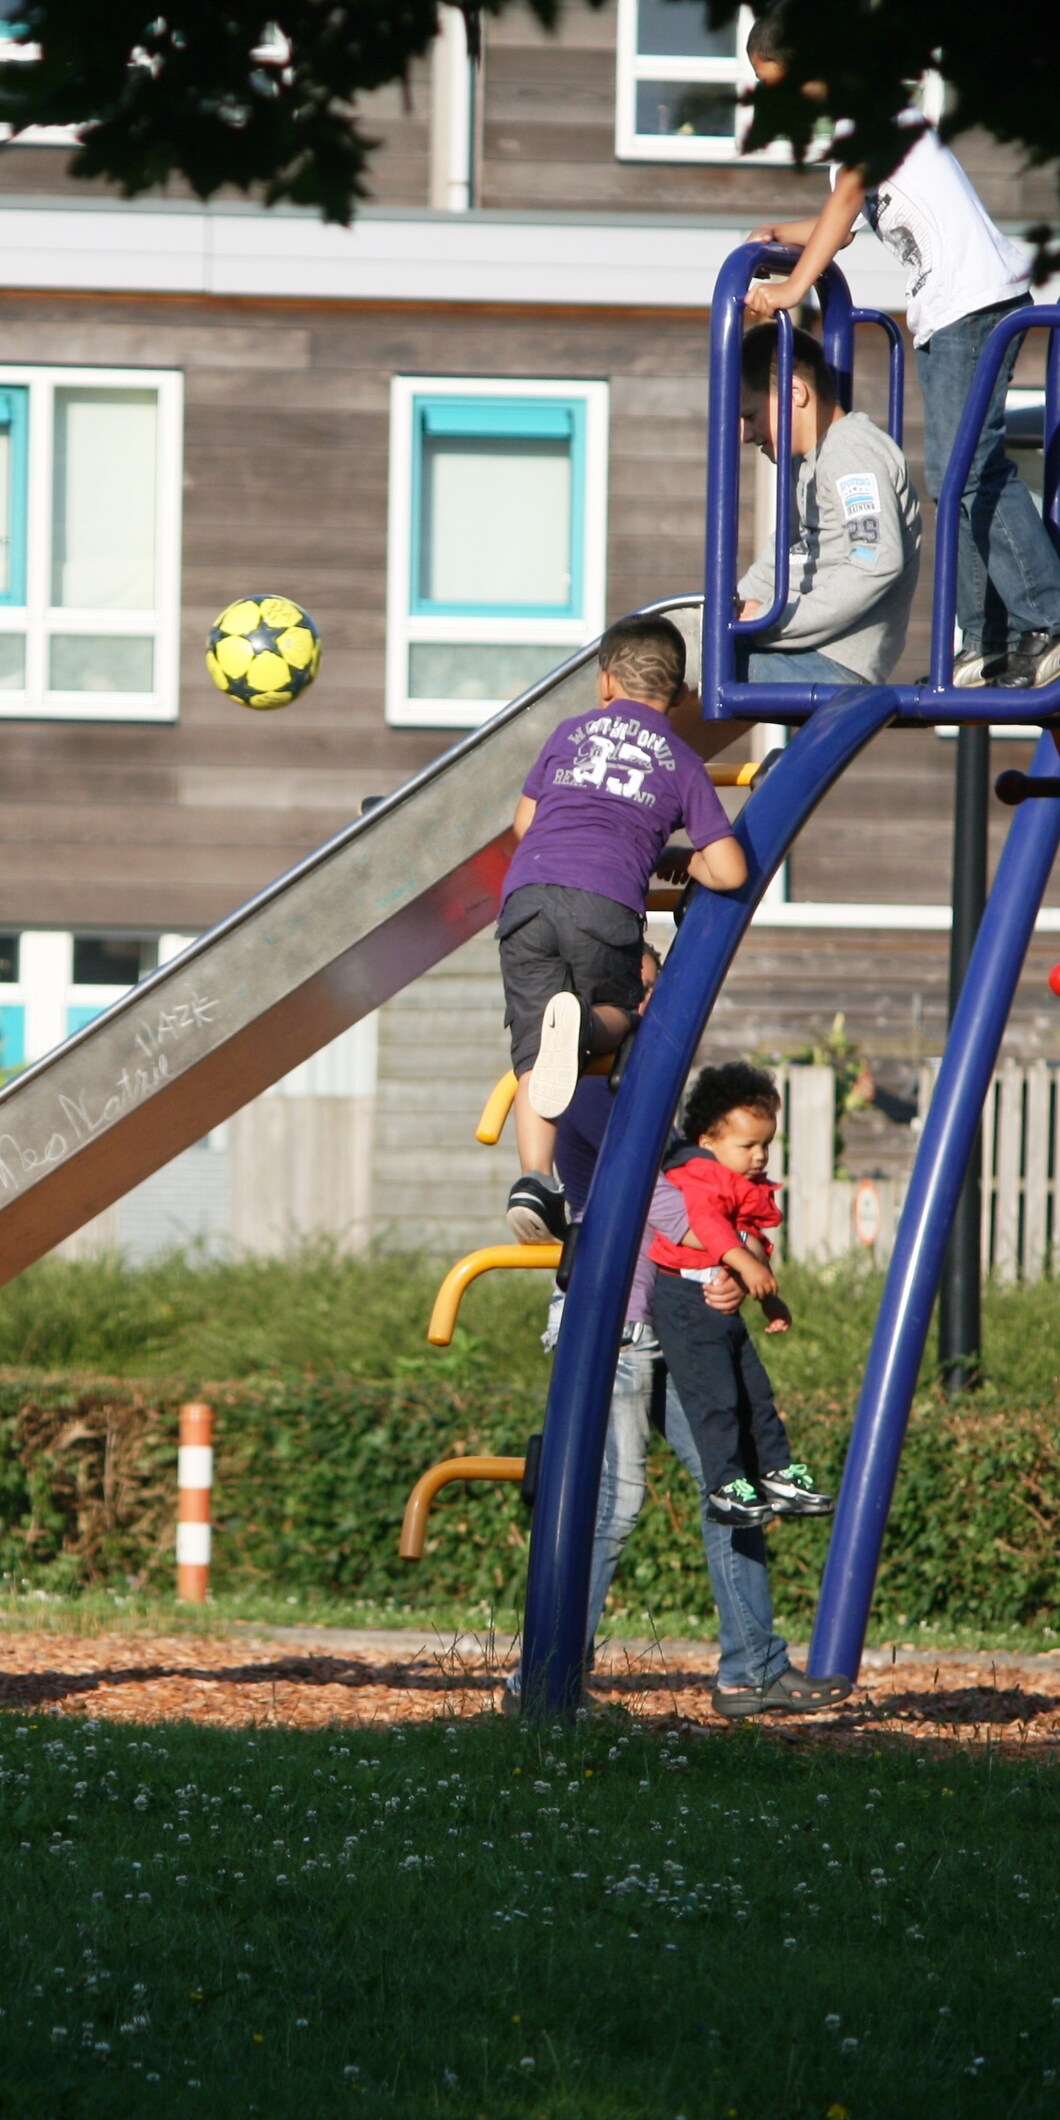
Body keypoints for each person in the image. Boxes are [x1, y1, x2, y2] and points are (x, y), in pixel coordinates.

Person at [506, 955, 851, 1721]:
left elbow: (713, 1205)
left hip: (671, 1323)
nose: (658, 997)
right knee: (612, 1508)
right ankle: (544, 1681)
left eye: (663, 981)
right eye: (645, 985)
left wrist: (725, 1271)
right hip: (614, 1331)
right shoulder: (593, 1094)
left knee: (736, 1485)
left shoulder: (646, 1102)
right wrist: (727, 1254)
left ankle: (751, 1669)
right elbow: (672, 1208)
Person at [743, 2, 1060, 691]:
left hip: (975, 301)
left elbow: (849, 198)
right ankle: (989, 640)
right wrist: (779, 231)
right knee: (953, 477)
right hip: (945, 313)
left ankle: (1050, 617)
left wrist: (795, 287)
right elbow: (845, 222)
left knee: (966, 468)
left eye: (778, 87)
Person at [498, 613, 747, 1245]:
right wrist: (670, 854)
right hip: (605, 904)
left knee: (534, 1044)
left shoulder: (568, 733)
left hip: (526, 896)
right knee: (617, 1010)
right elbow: (727, 869)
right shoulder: (682, 761)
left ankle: (533, 1180)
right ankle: (579, 1024)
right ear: (682, 695)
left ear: (604, 681)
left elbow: (525, 823)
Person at [649, 1061, 833, 1529]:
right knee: (716, 1396)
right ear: (709, 1141)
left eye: (766, 1144)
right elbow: (708, 1225)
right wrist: (746, 1262)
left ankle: (775, 1471)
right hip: (686, 1304)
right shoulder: (698, 1172)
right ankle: (726, 1483)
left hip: (720, 1303)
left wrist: (767, 1295)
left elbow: (750, 1239)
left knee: (756, 1393)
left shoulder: (737, 1183)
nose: (760, 1156)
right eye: (748, 1145)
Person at [737, 321, 921, 685]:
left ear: (794, 392)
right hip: (807, 650)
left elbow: (874, 560)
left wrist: (777, 621)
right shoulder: (804, 464)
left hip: (834, 662)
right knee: (679, 642)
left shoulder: (850, 450)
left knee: (681, 664)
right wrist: (728, 612)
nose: (745, 434)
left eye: (751, 416)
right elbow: (782, 558)